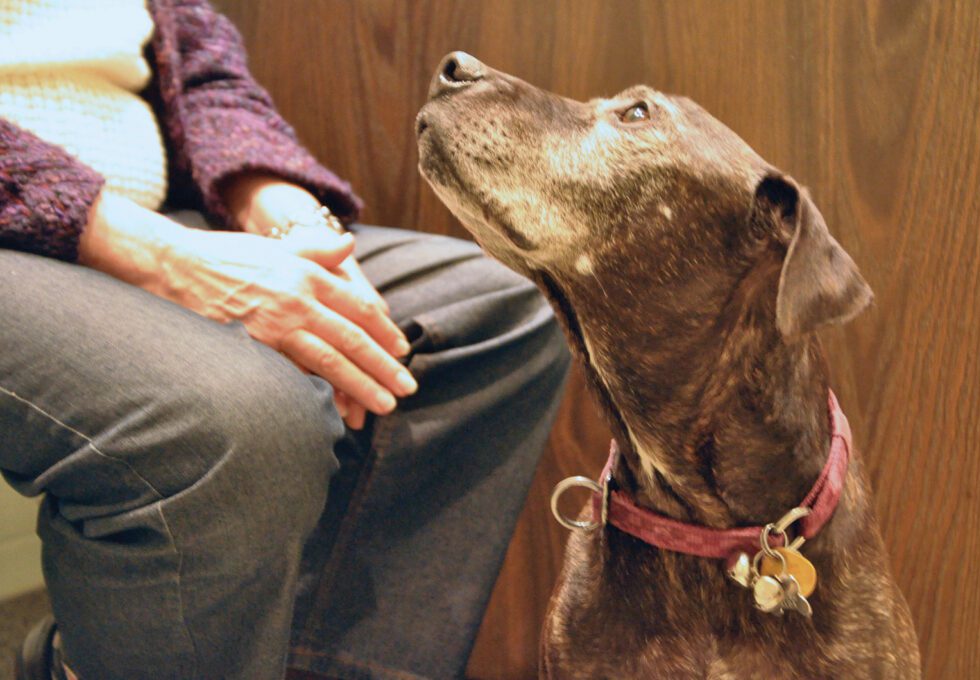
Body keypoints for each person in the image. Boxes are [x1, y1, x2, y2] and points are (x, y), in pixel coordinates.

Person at [0, 1, 570, 678]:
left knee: (482, 314)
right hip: (42, 230)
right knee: (236, 418)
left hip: (149, 213)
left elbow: (206, 73)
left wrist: (289, 218)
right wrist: (163, 258)